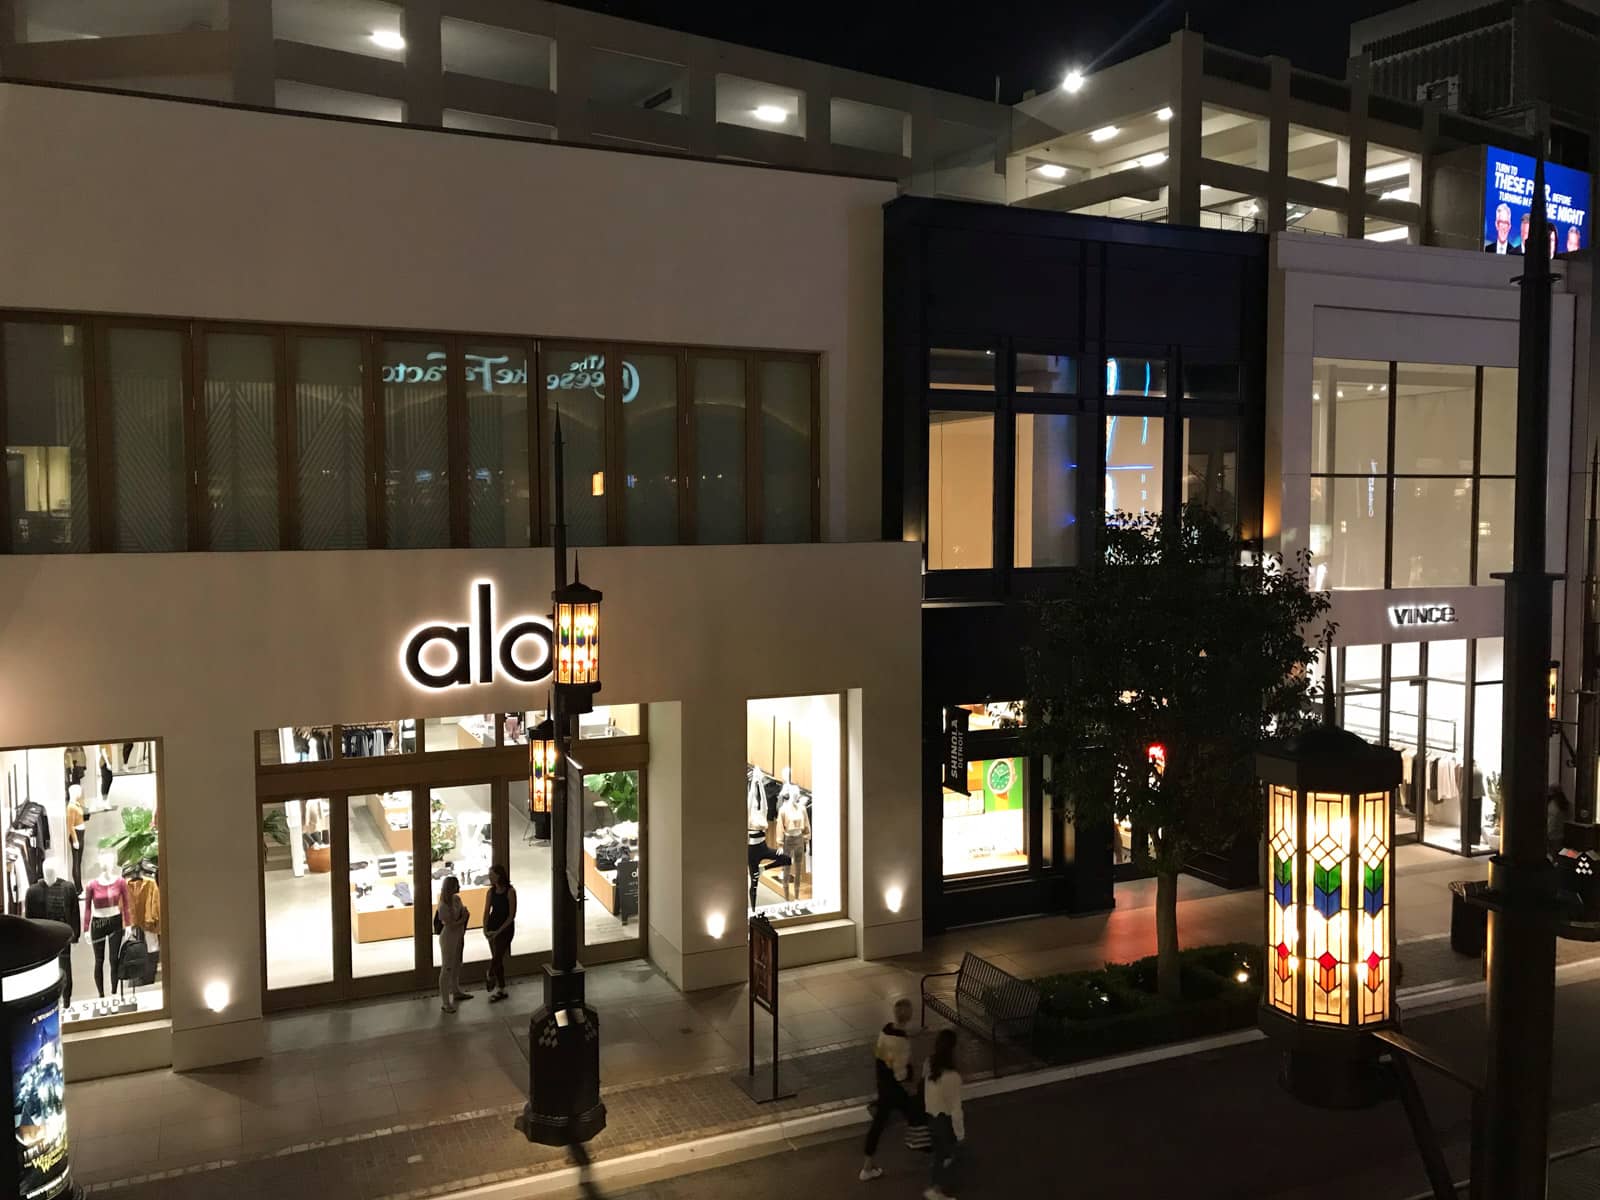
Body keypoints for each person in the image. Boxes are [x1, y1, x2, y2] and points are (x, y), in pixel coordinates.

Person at [859, 998, 927, 1181]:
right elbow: (900, 1072)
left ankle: (867, 1166)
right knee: (918, 1116)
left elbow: (887, 1051)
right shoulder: (902, 1044)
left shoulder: (885, 1030)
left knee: (878, 1126)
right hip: (896, 1089)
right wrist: (910, 1087)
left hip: (883, 1084)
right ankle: (937, 1152)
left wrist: (910, 1033)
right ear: (910, 1015)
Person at [922, 1029, 963, 1200]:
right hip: (944, 1119)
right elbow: (955, 1107)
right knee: (947, 1154)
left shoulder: (929, 1063)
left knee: (939, 1153)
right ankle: (937, 1189)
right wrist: (960, 1132)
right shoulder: (952, 1076)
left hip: (930, 1115)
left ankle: (935, 1187)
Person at [435, 875, 471, 1013]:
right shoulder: (443, 905)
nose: (459, 887)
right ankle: (445, 1002)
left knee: (457, 964)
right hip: (449, 937)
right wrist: (463, 918)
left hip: (458, 935)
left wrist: (463, 918)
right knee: (447, 967)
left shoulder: (456, 899)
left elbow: (462, 914)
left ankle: (456, 990)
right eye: (457, 885)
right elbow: (450, 924)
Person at [483, 863, 517, 1001]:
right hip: (493, 926)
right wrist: (485, 928)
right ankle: (501, 988)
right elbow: (486, 911)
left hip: (506, 929)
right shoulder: (490, 892)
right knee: (497, 959)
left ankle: (490, 974)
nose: (490, 877)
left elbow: (511, 915)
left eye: (492, 875)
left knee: (498, 955)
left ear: (499, 876)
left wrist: (499, 931)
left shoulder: (510, 891)